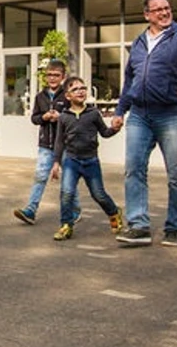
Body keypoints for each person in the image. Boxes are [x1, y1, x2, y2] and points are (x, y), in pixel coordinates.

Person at [110, 0, 177, 248]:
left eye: (167, 8)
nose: (164, 12)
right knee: (134, 169)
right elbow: (130, 80)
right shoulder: (139, 42)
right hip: (140, 114)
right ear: (146, 15)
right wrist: (120, 111)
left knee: (176, 175)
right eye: (158, 9)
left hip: (173, 113)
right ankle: (138, 226)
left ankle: (174, 227)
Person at [51, 76, 125, 241]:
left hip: (91, 161)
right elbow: (59, 141)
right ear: (67, 96)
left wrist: (115, 129)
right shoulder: (64, 117)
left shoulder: (93, 113)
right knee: (66, 193)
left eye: (83, 88)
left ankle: (114, 212)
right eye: (75, 89)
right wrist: (56, 162)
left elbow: (104, 133)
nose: (80, 91)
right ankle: (66, 225)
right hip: (71, 161)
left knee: (98, 194)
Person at [13, 60, 67, 225]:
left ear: (63, 77)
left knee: (68, 180)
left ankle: (74, 210)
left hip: (65, 145)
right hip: (46, 145)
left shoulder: (67, 95)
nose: (52, 78)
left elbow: (74, 117)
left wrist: (60, 117)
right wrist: (43, 117)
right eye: (49, 75)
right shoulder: (40, 96)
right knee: (40, 176)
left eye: (56, 75)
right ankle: (31, 209)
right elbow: (34, 118)